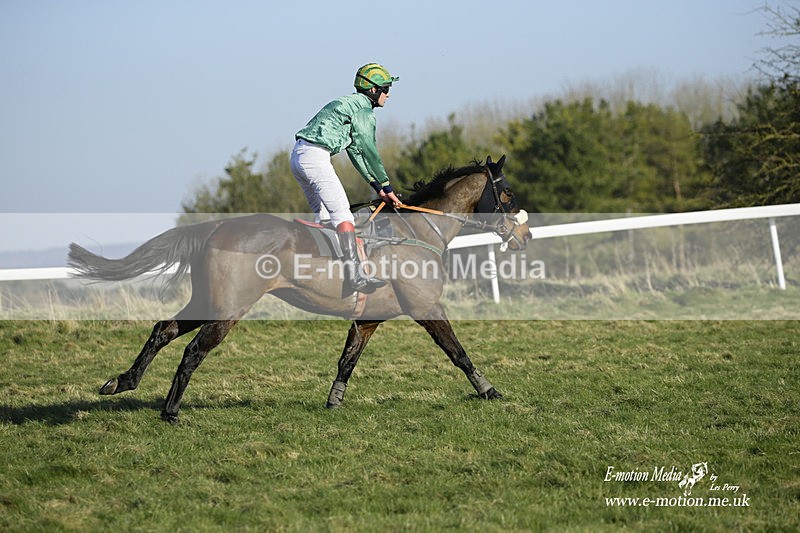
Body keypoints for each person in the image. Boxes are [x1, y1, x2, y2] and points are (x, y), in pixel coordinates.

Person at [291, 63, 401, 294]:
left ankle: (325, 274)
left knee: (325, 218)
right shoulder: (363, 112)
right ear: (373, 90)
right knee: (342, 214)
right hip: (315, 158)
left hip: (298, 157)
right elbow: (370, 151)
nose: (388, 94)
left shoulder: (349, 105)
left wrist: (375, 185)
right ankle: (355, 276)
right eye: (386, 88)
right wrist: (387, 185)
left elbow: (356, 153)